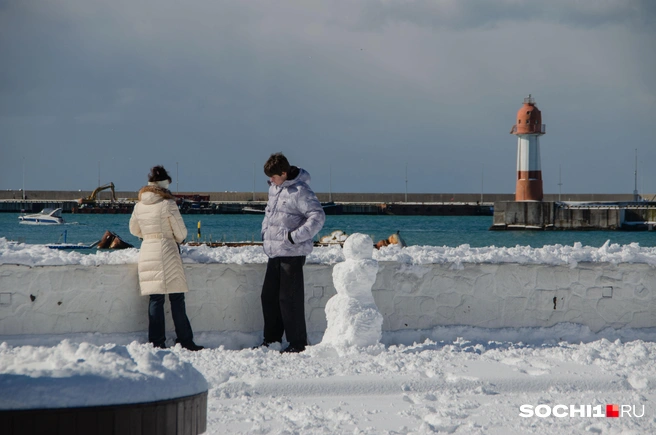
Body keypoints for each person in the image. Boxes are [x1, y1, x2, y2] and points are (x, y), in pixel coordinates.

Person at [129, 165, 203, 351]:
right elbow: (181, 232)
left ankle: (157, 342)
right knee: (177, 298)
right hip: (167, 250)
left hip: (148, 250)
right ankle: (185, 340)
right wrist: (173, 238)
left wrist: (147, 236)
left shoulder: (139, 205)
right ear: (165, 185)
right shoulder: (167, 203)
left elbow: (133, 230)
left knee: (156, 299)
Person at [259, 153, 326, 353]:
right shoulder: (274, 188)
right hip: (274, 251)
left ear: (284, 173)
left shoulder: (301, 191)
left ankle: (298, 343)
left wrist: (294, 237)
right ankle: (272, 340)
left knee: (290, 300)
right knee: (268, 297)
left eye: (274, 176)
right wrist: (264, 233)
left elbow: (318, 216)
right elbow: (269, 215)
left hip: (293, 252)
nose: (271, 180)